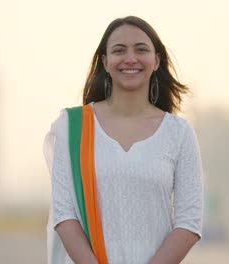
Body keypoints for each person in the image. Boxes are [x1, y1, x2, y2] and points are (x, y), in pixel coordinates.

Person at [43, 16, 203, 264]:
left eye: (141, 50)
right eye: (119, 50)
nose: (130, 59)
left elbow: (189, 221)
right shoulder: (70, 128)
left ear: (156, 60)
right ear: (105, 62)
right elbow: (65, 215)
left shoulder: (179, 133)